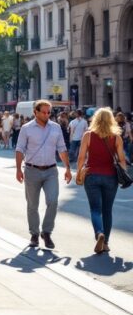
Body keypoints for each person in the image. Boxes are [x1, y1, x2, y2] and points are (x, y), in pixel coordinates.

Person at [15, 100, 72, 249]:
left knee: (52, 201)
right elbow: (20, 149)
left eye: (49, 112)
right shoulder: (26, 128)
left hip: (51, 171)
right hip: (32, 170)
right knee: (32, 205)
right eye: (44, 112)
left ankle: (46, 232)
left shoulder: (56, 128)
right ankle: (34, 234)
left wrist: (67, 168)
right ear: (35, 112)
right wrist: (18, 169)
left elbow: (62, 148)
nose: (47, 115)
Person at [76, 107, 125, 253]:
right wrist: (122, 173)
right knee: (107, 210)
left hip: (91, 176)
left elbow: (81, 157)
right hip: (111, 177)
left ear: (95, 119)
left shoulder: (88, 135)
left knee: (95, 209)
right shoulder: (116, 137)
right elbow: (122, 160)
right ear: (112, 120)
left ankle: (99, 233)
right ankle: (106, 242)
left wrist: (79, 172)